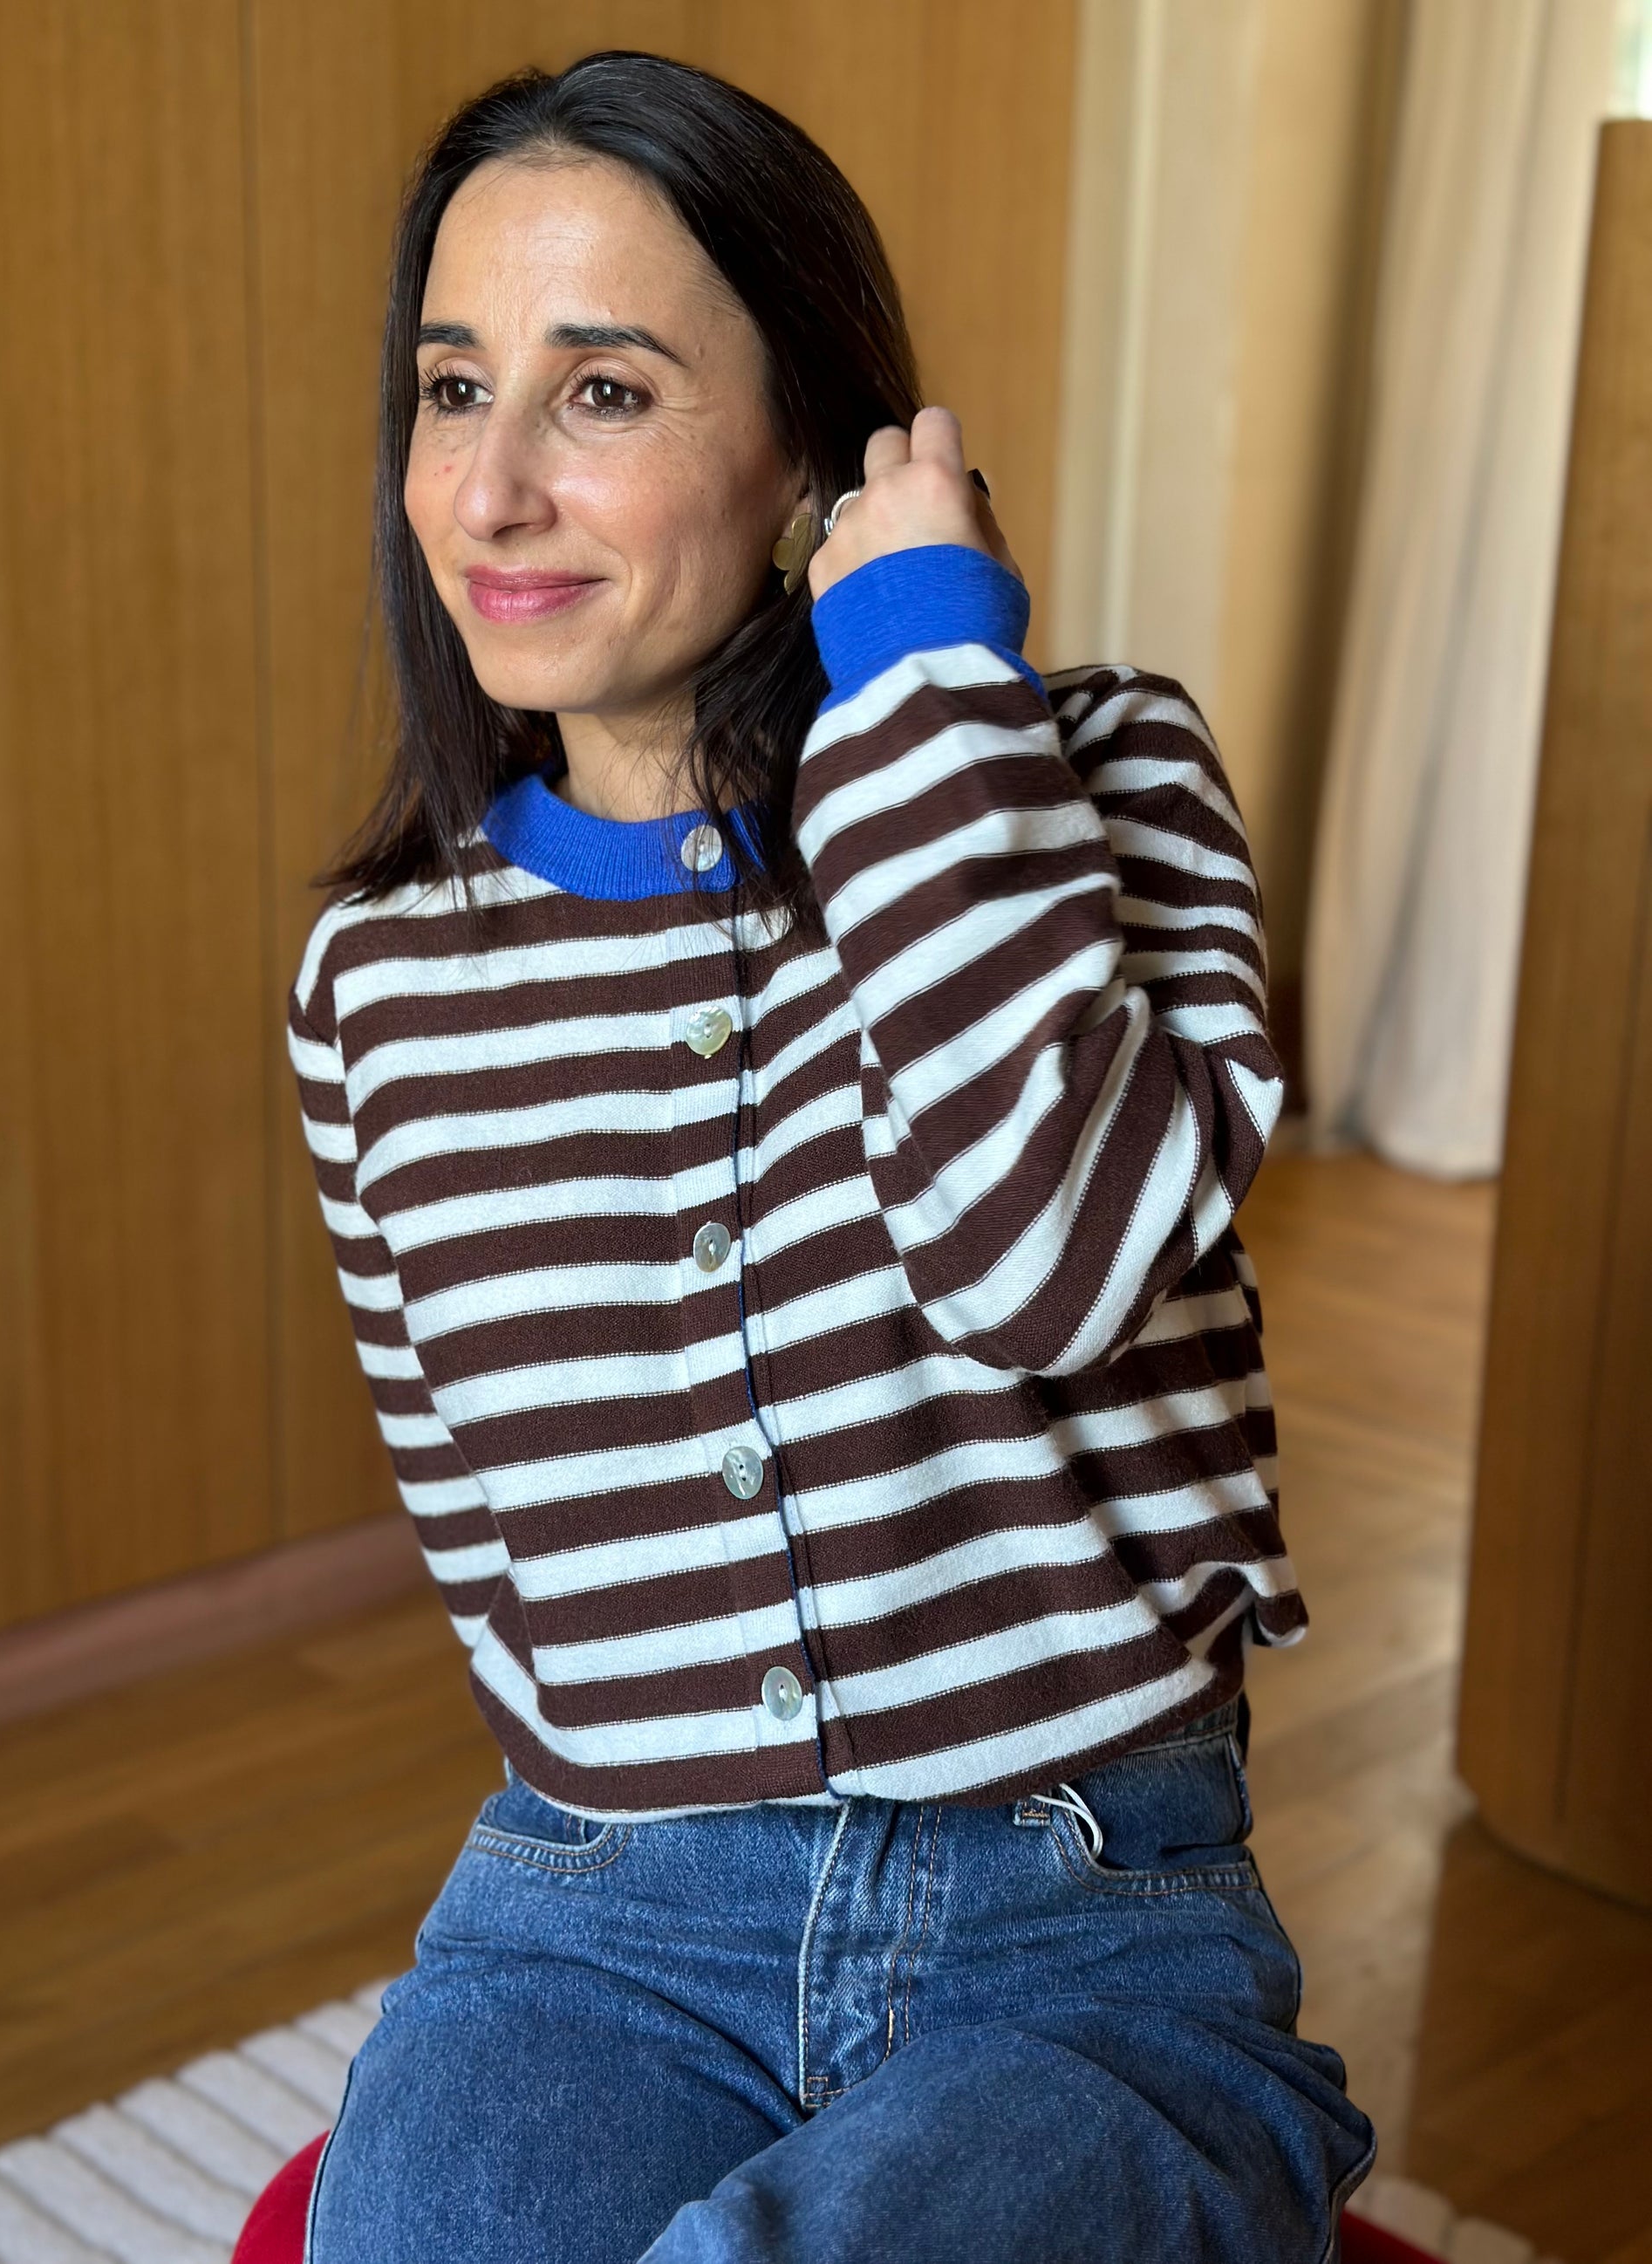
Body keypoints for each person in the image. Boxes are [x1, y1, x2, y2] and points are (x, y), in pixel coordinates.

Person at [289, 49, 1375, 2264]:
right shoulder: (376, 978)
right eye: (452, 386)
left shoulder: (1090, 778)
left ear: (811, 450)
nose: (488, 488)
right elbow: (502, 1567)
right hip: (608, 1920)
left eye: (602, 393)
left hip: (1084, 1911)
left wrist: (917, 686)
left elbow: (1046, 1265)